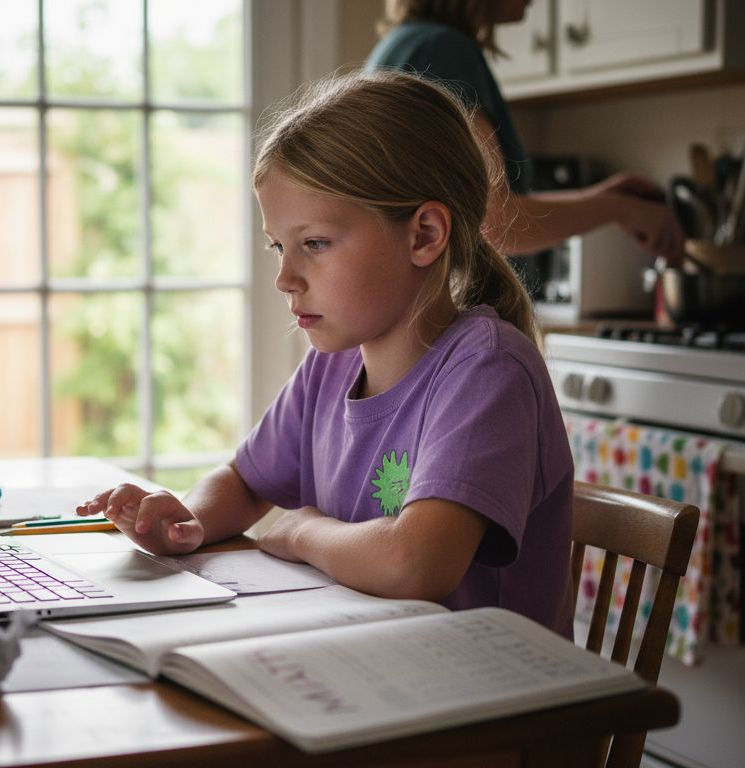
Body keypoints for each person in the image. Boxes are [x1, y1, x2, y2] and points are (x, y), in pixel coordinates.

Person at [77, 70, 574, 636]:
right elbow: (244, 480)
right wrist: (185, 520)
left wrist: (300, 531)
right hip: (370, 669)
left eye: (314, 244)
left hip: (496, 708)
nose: (285, 277)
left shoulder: (487, 369)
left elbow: (416, 563)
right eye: (278, 247)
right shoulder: (332, 363)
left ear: (424, 235)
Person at [364, 0, 684, 262]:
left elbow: (476, 207)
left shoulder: (405, 45)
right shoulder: (444, 51)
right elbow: (496, 223)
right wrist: (620, 209)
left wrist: (602, 198)